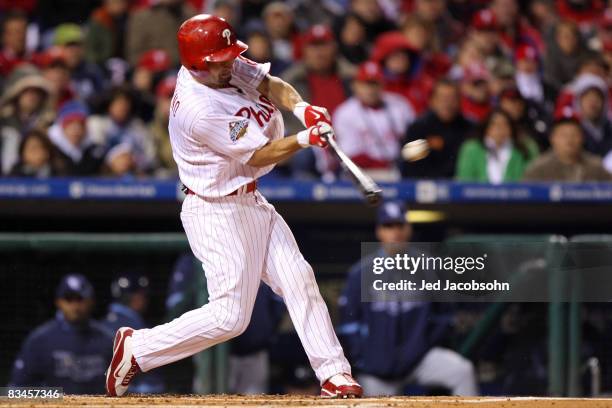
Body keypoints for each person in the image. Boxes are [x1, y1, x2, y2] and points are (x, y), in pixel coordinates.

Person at [105, 14, 362, 399]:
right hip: (215, 211)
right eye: (220, 60)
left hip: (249, 199)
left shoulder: (216, 65)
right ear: (197, 64)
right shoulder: (200, 107)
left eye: (229, 56)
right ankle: (138, 349)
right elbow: (259, 154)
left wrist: (302, 107)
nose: (229, 64)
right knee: (230, 317)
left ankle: (334, 375)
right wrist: (305, 138)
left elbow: (269, 83)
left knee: (299, 278)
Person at [338, 200, 479, 396]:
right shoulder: (361, 272)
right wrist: (366, 357)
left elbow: (445, 314)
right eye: (388, 226)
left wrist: (423, 344)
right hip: (378, 370)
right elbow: (348, 325)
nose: (395, 232)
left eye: (400, 225)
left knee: (462, 371)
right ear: (379, 231)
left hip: (419, 360)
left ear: (408, 229)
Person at [9, 274, 113, 394]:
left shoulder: (108, 340)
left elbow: (131, 388)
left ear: (91, 301)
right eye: (69, 299)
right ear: (58, 302)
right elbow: (15, 391)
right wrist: (56, 397)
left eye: (80, 299)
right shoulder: (40, 339)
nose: (75, 306)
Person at [333, 61, 415, 182]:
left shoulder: (400, 105)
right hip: (361, 173)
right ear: (355, 85)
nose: (370, 89)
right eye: (365, 84)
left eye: (374, 83)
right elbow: (350, 156)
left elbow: (413, 138)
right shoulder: (345, 113)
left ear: (382, 85)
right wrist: (385, 165)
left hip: (399, 170)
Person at [399, 79, 473, 179]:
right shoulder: (418, 129)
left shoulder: (470, 129)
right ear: (432, 101)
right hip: (424, 187)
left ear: (459, 101)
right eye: (442, 98)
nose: (447, 103)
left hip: (460, 187)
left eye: (452, 98)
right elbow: (410, 168)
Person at [104, 273, 164, 394]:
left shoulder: (102, 324)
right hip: (129, 393)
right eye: (143, 295)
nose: (145, 299)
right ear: (134, 297)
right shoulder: (134, 324)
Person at [456, 109, 537, 183]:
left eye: (505, 124)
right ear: (487, 128)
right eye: (495, 124)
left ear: (511, 129)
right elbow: (465, 180)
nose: (500, 129)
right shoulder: (471, 149)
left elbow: (532, 178)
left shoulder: (524, 148)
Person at [523, 116, 612, 181]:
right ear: (552, 138)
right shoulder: (538, 169)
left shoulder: (596, 166)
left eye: (574, 135)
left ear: (583, 138)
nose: (569, 140)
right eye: (563, 135)